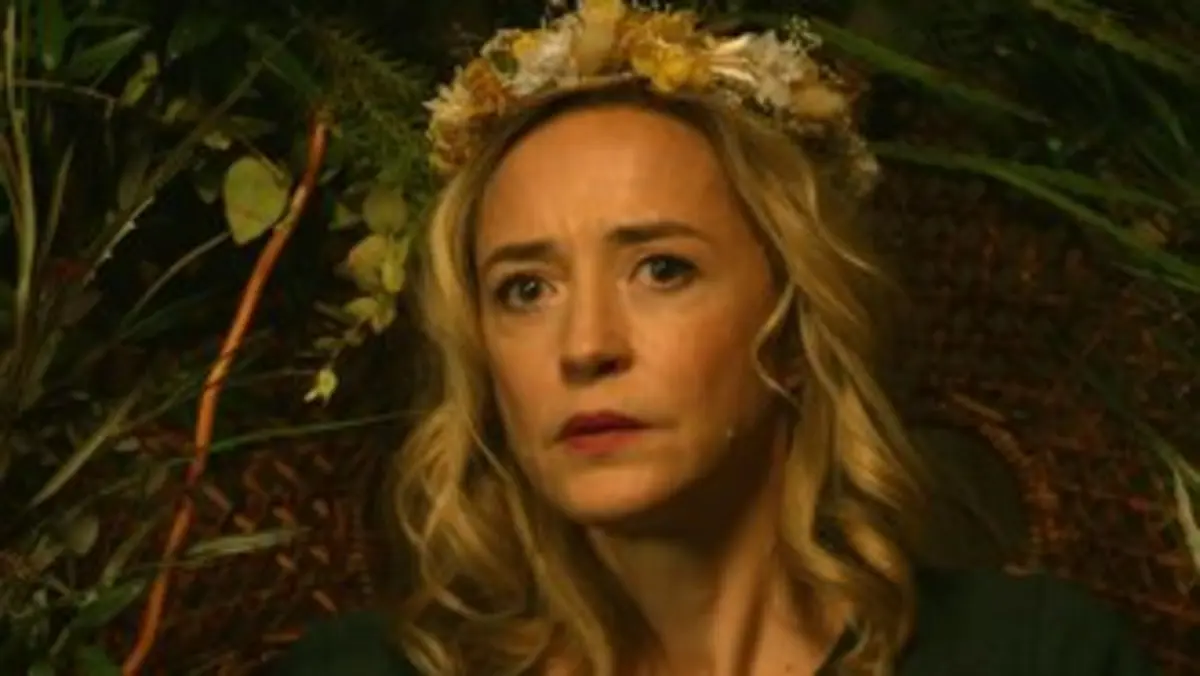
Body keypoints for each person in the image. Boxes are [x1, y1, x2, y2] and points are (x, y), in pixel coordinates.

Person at [275, 1, 1158, 674]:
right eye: (526, 289)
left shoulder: (1034, 657)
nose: (585, 346)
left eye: (661, 269)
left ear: (795, 324)